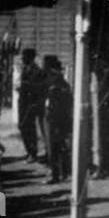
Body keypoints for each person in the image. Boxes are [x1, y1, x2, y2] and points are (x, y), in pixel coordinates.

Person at [43, 57, 72, 185]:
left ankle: (55, 174)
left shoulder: (53, 83)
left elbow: (51, 104)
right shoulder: (64, 83)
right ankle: (63, 173)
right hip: (62, 119)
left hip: (53, 120)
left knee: (53, 148)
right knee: (61, 148)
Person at [16, 50, 47, 161]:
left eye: (24, 57)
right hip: (23, 102)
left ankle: (32, 153)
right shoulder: (25, 69)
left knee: (29, 127)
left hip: (31, 103)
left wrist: (24, 85)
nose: (22, 59)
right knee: (22, 126)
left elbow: (39, 87)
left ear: (30, 57)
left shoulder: (37, 71)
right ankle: (29, 151)